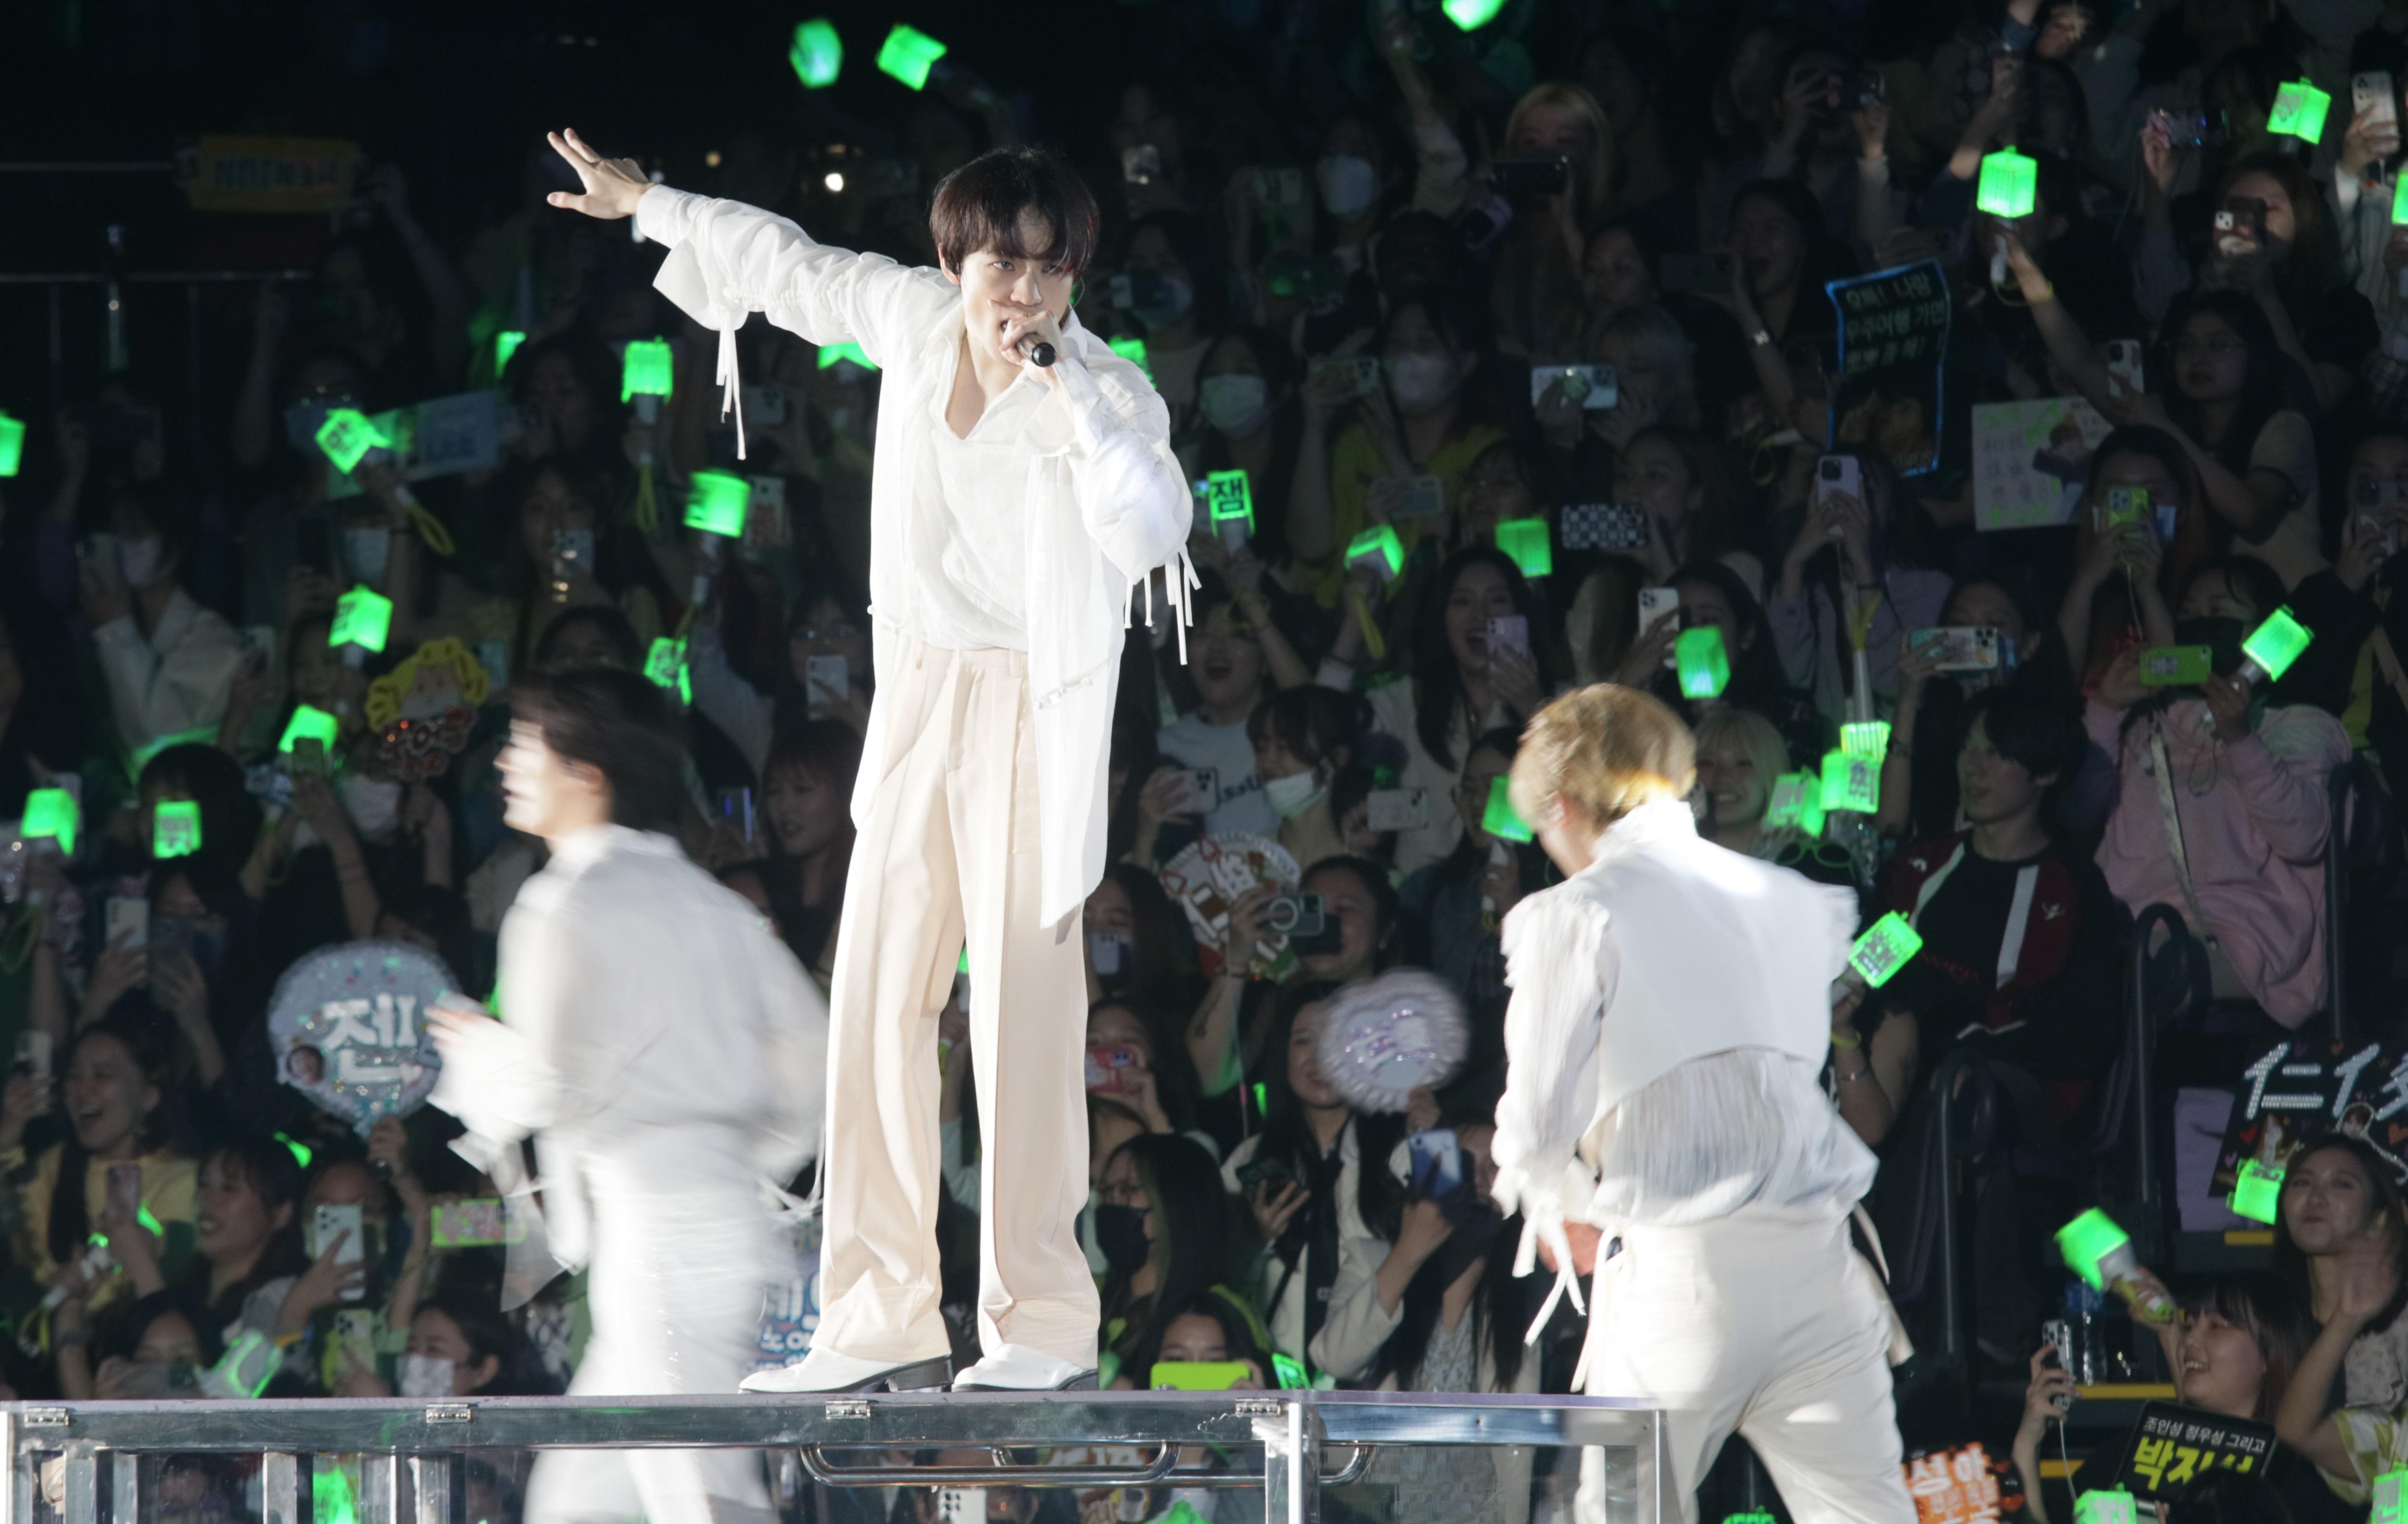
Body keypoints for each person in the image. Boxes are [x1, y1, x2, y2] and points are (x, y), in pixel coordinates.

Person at [544, 129, 1190, 1395]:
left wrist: (1071, 396)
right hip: (918, 692)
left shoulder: (1105, 387)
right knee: (880, 998)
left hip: (1032, 703)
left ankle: (1041, 1321)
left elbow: (1153, 527)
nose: (1025, 292)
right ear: (957, 263)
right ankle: (877, 1309)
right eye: (1003, 264)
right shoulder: (912, 322)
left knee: (1022, 1010)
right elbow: (786, 264)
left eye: (1050, 268)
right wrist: (650, 203)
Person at [1490, 684, 1909, 1524]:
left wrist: (1554, 1201)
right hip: (1822, 1277)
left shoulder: (1574, 912)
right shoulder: (1790, 897)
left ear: (1563, 807)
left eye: (1541, 827)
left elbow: (1536, 1126)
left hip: (1686, 1283)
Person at [425, 666, 829, 1524]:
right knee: (577, 1505)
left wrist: (476, 1050)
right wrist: (728, 1159)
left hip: (658, 1243)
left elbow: (546, 1084)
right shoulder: (714, 904)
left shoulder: (566, 899)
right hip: (709, 1226)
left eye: (526, 744)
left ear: (587, 772)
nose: (506, 762)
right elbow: (810, 1068)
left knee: (704, 1498)